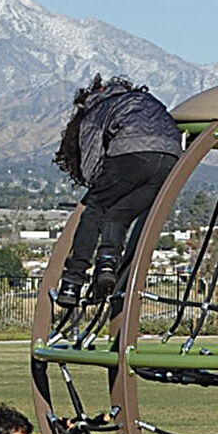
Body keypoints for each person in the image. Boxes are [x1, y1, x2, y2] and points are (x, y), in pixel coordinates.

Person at [52, 74, 182, 310]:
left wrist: (97, 187)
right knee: (119, 215)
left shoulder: (96, 109)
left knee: (96, 209)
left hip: (131, 153)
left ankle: (72, 280)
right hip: (171, 161)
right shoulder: (146, 100)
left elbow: (91, 162)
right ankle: (108, 264)